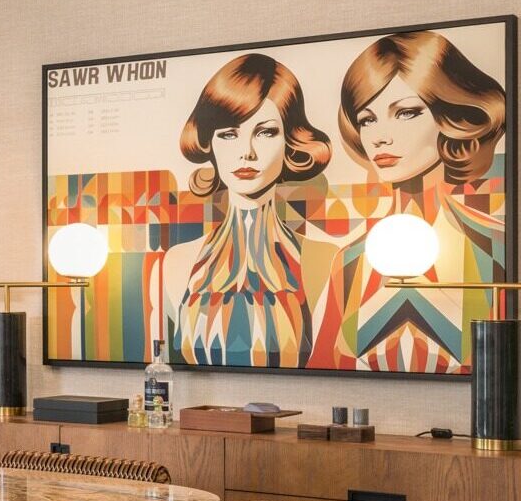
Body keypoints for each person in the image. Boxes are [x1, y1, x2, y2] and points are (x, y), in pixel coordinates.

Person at [314, 30, 507, 372]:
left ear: (451, 116)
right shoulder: (350, 262)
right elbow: (323, 368)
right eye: (367, 119)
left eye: (405, 112)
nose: (380, 137)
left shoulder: (495, 248)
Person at [165, 52, 331, 368]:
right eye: (229, 134)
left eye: (265, 132)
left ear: (290, 141)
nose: (247, 152)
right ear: (210, 144)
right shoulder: (179, 260)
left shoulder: (324, 260)